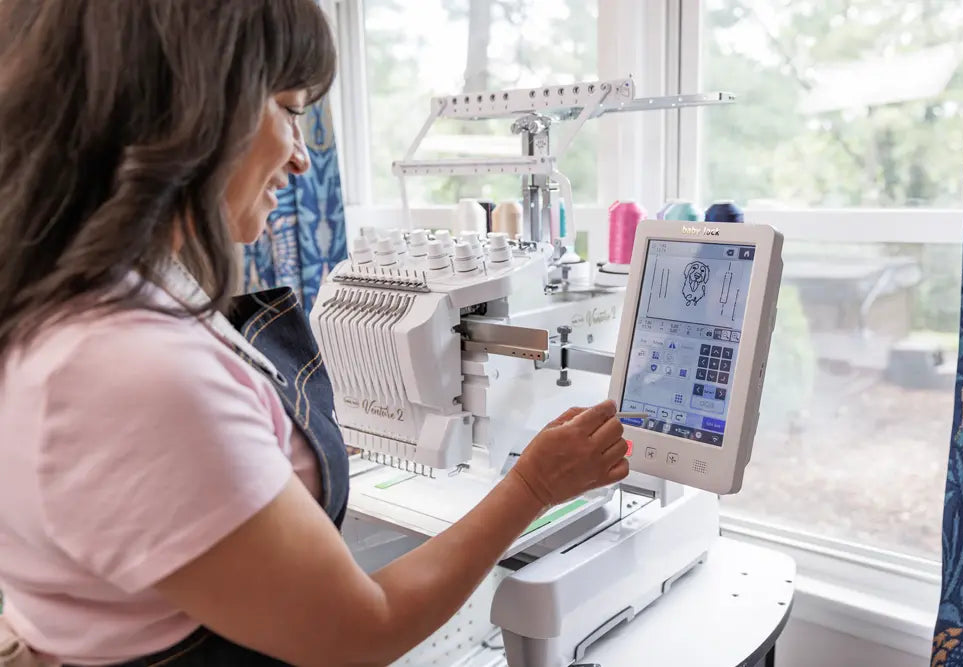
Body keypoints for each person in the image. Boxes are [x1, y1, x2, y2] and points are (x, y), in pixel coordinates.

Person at [0, 2, 630, 666]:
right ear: (197, 107)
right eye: (291, 109)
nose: (302, 158)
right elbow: (362, 628)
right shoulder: (131, 369)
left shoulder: (80, 302)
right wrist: (533, 486)